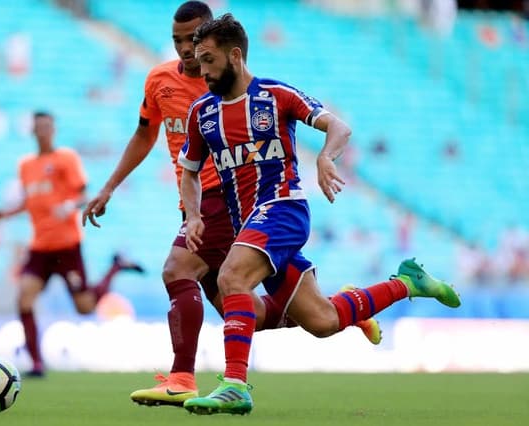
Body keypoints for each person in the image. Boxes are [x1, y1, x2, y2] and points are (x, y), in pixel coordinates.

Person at [82, 1, 380, 407]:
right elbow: (144, 136)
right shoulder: (161, 82)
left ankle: (186, 377)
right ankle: (347, 307)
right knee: (246, 313)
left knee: (178, 268)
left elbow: (324, 123)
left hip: (227, 198)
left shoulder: (229, 84)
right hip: (201, 205)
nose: (188, 51)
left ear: (220, 45)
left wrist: (325, 155)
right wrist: (110, 186)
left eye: (195, 42)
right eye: (179, 41)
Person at [178, 14, 461, 415]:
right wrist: (192, 215)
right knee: (323, 321)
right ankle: (408, 283)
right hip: (251, 227)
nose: (200, 69)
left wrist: (326, 157)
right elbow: (189, 172)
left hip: (283, 209)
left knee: (231, 277)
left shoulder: (275, 95)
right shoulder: (201, 114)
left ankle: (235, 385)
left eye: (207, 60)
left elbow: (339, 126)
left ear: (235, 56)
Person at [0, 111, 144, 377]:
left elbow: (83, 195)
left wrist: (69, 205)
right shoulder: (26, 166)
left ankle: (116, 267)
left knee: (85, 307)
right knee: (24, 299)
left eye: (47, 126)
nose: (43, 131)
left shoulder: (66, 159)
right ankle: (37, 363)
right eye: (38, 127)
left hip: (66, 246)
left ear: (54, 130)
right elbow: (31, 201)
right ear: (33, 131)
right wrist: (5, 214)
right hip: (40, 247)